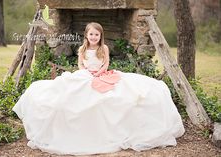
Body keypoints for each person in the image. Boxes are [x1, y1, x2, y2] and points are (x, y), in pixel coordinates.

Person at [13, 22, 185, 155]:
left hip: (102, 73)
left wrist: (100, 72)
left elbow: (106, 63)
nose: (94, 37)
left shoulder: (104, 48)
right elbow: (80, 64)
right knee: (69, 93)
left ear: (100, 36)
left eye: (97, 34)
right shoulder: (82, 49)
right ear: (86, 35)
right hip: (86, 74)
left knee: (122, 92)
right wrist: (87, 72)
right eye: (91, 34)